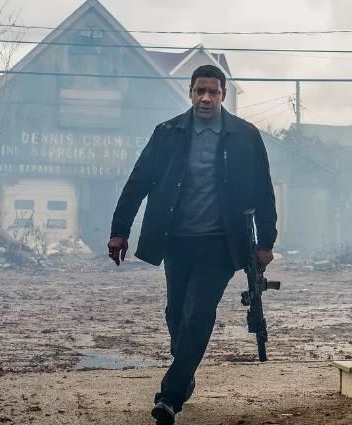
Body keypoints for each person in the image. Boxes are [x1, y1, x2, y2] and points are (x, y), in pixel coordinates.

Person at [107, 64, 277, 425]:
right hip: (177, 241)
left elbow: (264, 190)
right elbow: (138, 183)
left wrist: (266, 242)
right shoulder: (168, 133)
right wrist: (120, 230)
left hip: (221, 244)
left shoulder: (244, 136)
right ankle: (185, 371)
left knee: (198, 313)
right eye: (200, 90)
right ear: (190, 92)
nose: (206, 98)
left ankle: (169, 397)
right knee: (177, 313)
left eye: (213, 92)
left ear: (223, 95)